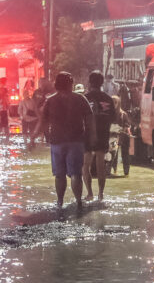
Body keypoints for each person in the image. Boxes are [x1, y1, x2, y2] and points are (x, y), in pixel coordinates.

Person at [35, 72, 95, 209]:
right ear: (71, 84)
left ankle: (60, 201)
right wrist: (91, 137)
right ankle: (79, 201)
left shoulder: (50, 100)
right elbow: (90, 120)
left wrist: (38, 137)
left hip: (57, 142)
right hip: (76, 141)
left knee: (59, 174)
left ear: (56, 84)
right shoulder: (80, 99)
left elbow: (43, 122)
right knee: (76, 174)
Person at [83, 71, 115, 201]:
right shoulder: (108, 99)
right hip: (103, 133)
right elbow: (113, 117)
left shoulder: (84, 98)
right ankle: (101, 194)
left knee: (85, 164)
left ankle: (89, 193)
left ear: (90, 83)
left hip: (87, 133)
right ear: (102, 83)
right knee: (101, 163)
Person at [111, 95, 131, 176]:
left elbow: (127, 125)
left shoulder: (123, 114)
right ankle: (114, 171)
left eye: (115, 102)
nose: (114, 104)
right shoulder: (109, 114)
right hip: (113, 136)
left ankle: (126, 173)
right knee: (113, 153)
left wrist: (123, 130)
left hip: (124, 136)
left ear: (118, 103)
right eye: (112, 102)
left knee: (125, 154)